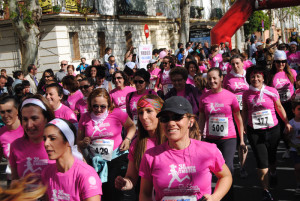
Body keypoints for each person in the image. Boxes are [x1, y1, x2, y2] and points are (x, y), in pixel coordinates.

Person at [139, 96, 232, 200]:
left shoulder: (209, 150)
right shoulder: (151, 156)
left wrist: (215, 197)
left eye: (177, 117)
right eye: (165, 119)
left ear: (190, 121)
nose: (171, 123)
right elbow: (145, 193)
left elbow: (226, 176)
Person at [242, 66, 292, 201]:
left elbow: (279, 107)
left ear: (263, 77)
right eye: (252, 76)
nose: (255, 79)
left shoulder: (271, 91)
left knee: (271, 157)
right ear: (249, 79)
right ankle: (266, 190)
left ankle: (274, 171)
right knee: (261, 160)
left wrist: (287, 122)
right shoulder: (246, 94)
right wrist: (243, 125)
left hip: (273, 129)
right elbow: (245, 110)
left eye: (258, 76)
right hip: (255, 132)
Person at [77, 88, 136, 201]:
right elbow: (78, 142)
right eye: (95, 106)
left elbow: (131, 126)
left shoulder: (117, 113)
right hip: (96, 161)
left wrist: (127, 139)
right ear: (90, 104)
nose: (99, 109)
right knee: (102, 193)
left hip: (117, 157)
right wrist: (83, 142)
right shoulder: (85, 117)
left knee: (117, 192)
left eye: (103, 106)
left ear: (109, 104)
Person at [198, 67, 245, 201]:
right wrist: (200, 136)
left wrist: (241, 139)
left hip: (228, 137)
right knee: (208, 169)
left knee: (228, 167)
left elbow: (238, 118)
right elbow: (201, 118)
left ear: (221, 79)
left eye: (214, 78)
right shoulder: (204, 97)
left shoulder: (230, 96)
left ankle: (228, 196)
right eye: (209, 79)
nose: (212, 81)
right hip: (210, 138)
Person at [115, 95, 165, 196]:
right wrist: (125, 183)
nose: (144, 117)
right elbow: (131, 178)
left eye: (149, 111)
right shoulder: (137, 143)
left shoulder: (171, 140)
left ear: (160, 113)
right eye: (141, 113)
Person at [42, 118, 102, 201]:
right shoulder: (47, 172)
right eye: (44, 139)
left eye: (52, 138)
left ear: (68, 141)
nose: (46, 144)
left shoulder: (86, 174)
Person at [9, 95, 55, 180]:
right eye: (25, 119)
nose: (29, 125)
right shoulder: (15, 146)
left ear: (46, 118)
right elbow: (15, 180)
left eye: (34, 118)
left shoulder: (59, 144)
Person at [269, 50, 297, 159]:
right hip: (277, 105)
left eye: (283, 61)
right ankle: (287, 147)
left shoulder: (292, 73)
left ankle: (293, 147)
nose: (281, 64)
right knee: (281, 128)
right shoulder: (271, 75)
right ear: (274, 62)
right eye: (278, 62)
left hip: (290, 104)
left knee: (292, 126)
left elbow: (297, 86)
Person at [0, 96, 24, 183]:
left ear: (17, 110)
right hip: (12, 180)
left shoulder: (27, 129)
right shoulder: (1, 133)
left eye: (9, 111)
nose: (6, 115)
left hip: (30, 180)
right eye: (2, 112)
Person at [287, 100, 300, 195]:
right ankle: (298, 185)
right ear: (293, 111)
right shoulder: (291, 123)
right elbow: (286, 136)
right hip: (295, 148)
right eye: (299, 109)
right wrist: (289, 134)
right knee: (297, 167)